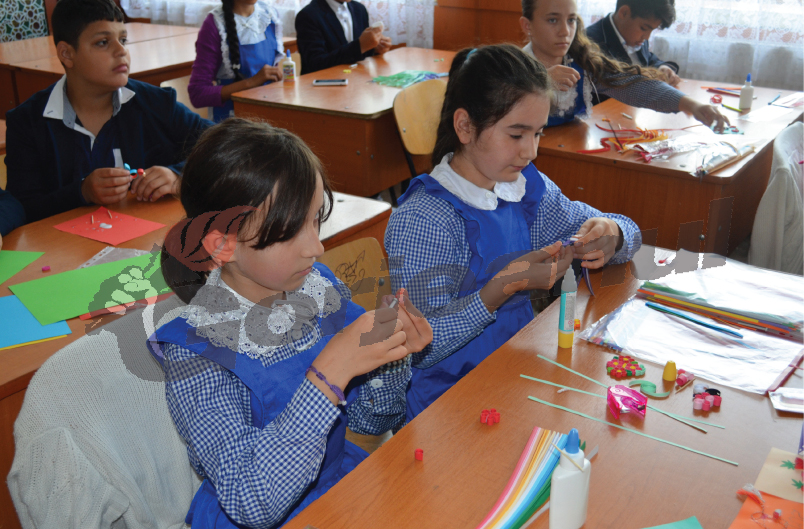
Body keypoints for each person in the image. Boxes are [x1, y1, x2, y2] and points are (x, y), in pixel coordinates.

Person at [151, 118, 432, 529]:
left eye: (315, 219)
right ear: (223, 245)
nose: (316, 247)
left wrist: (392, 354)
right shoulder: (196, 353)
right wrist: (328, 376)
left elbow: (373, 421)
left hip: (338, 491)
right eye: (289, 231)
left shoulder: (317, 289)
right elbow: (251, 502)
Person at [384, 45, 641, 421]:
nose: (531, 151)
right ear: (465, 126)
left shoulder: (520, 189)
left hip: (513, 374)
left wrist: (613, 233)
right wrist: (501, 288)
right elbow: (419, 346)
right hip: (445, 404)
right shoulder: (425, 219)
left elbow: (618, 227)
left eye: (537, 133)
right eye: (517, 134)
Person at [4, 0, 212, 224]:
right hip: (64, 244)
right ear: (67, 54)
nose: (121, 51)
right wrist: (81, 192)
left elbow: (222, 144)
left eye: (123, 40)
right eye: (103, 42)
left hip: (150, 237)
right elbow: (23, 208)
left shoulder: (156, 103)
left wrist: (178, 175)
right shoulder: (27, 123)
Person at [518, 0, 726, 129]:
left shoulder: (583, 63)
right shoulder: (510, 67)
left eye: (571, 20)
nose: (565, 31)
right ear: (527, 26)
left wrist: (692, 105)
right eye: (552, 20)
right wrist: (539, 82)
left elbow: (636, 86)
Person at [188, 0, 285, 122]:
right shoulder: (215, 24)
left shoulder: (269, 15)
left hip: (268, 116)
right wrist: (251, 83)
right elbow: (198, 94)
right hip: (232, 125)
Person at [586, 0, 681, 87]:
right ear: (624, 13)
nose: (647, 37)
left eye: (652, 30)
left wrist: (662, 67)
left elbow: (648, 58)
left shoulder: (635, 35)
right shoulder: (590, 42)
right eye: (644, 28)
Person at [294, 0, 391, 74]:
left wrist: (374, 48)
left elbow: (358, 54)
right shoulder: (308, 15)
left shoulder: (359, 9)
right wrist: (360, 46)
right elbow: (315, 63)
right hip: (323, 86)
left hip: (355, 79)